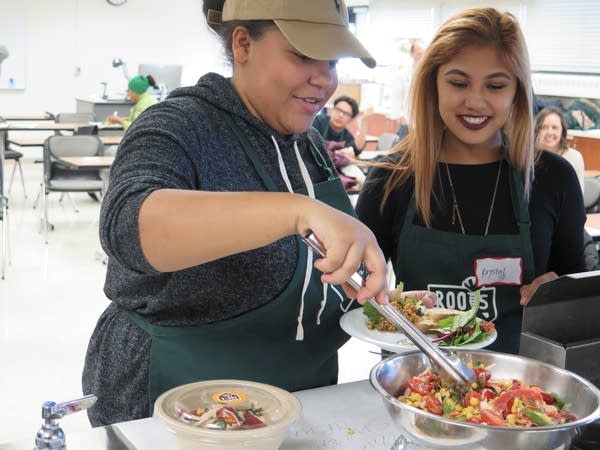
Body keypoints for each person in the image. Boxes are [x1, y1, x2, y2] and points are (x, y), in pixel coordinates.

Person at [82, 0, 390, 427]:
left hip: (301, 396)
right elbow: (128, 226)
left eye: (332, 61)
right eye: (302, 56)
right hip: (180, 401)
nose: (324, 79)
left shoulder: (307, 142)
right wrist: (294, 210)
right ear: (243, 44)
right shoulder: (179, 124)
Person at [356, 7, 586, 355]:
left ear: (516, 92)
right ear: (433, 85)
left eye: (495, 85)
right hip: (413, 387)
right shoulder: (391, 177)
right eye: (458, 83)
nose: (475, 101)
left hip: (520, 395)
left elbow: (579, 296)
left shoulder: (552, 177)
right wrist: (381, 304)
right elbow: (352, 297)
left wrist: (559, 295)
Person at [313, 95, 366, 189]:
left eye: (346, 113)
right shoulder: (317, 122)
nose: (340, 115)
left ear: (351, 118)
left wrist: (362, 123)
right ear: (332, 110)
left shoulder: (348, 135)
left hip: (335, 175)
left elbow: (356, 151)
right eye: (338, 110)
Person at [534, 106, 585, 193]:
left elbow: (577, 197)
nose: (550, 132)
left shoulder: (574, 157)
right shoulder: (530, 156)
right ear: (537, 130)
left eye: (555, 127)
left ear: (562, 131)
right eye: (544, 127)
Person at [389, 40, 425, 140]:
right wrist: (400, 117)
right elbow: (396, 97)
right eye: (419, 53)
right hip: (407, 122)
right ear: (412, 54)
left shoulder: (429, 75)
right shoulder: (402, 75)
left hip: (424, 124)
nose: (421, 56)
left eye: (424, 53)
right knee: (404, 153)